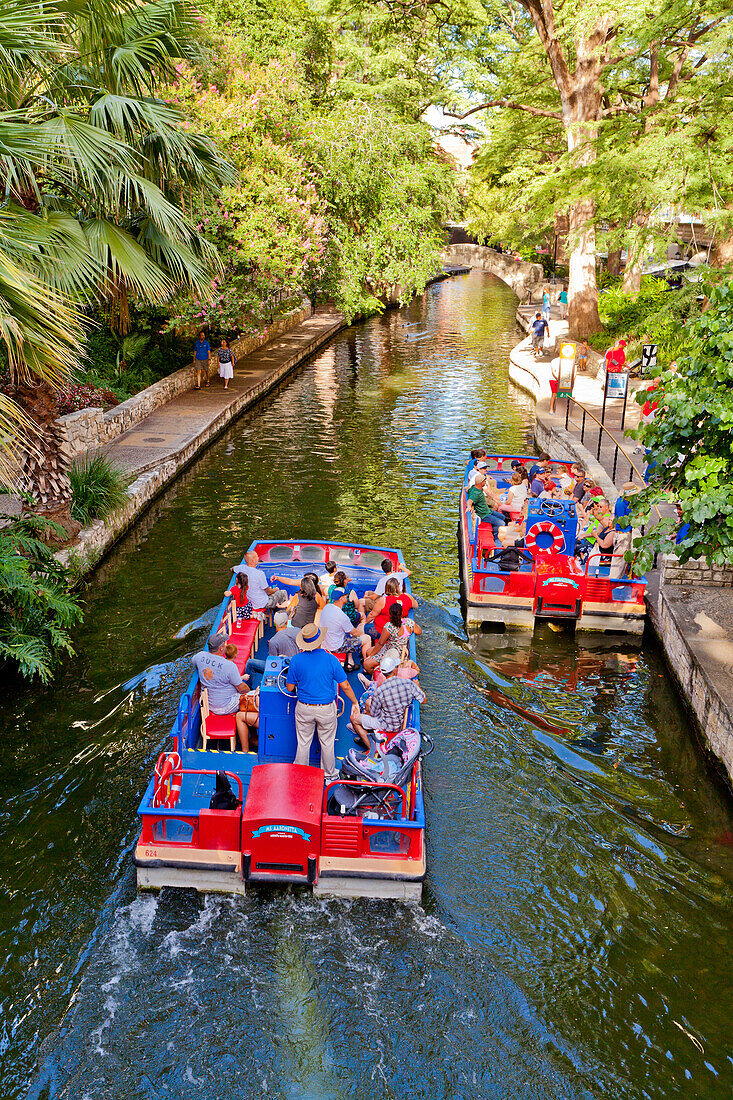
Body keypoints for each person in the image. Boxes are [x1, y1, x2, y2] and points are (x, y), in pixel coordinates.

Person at [285, 623, 360, 781]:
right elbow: (345, 686)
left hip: (304, 708)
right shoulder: (331, 659)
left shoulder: (296, 660)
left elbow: (290, 687)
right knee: (327, 743)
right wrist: (354, 702)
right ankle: (329, 775)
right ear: (320, 640)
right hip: (326, 709)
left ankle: (301, 772)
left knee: (304, 742)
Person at [192, 631, 253, 751]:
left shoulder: (199, 656)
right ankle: (249, 741)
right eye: (224, 644)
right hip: (226, 706)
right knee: (255, 699)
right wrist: (250, 690)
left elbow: (193, 661)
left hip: (210, 704)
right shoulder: (229, 666)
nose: (225, 646)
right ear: (221, 649)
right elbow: (241, 689)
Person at [350, 653, 426, 745]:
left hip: (385, 725)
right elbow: (424, 700)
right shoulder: (408, 684)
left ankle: (371, 747)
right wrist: (418, 686)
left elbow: (374, 714)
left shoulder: (380, 691)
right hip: (400, 724)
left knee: (354, 718)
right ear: (394, 670)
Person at [319, 588, 369, 668]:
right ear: (341, 598)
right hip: (337, 647)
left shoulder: (326, 607)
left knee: (349, 636)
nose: (347, 597)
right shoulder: (342, 616)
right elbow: (354, 632)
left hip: (326, 643)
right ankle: (367, 665)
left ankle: (350, 662)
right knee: (367, 638)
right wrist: (362, 633)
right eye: (346, 595)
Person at [611, 482, 638, 577]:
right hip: (623, 533)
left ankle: (619, 579)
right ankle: (613, 581)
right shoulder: (621, 504)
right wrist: (636, 516)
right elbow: (623, 522)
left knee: (623, 561)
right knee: (618, 561)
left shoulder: (628, 502)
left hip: (627, 533)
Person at [467, 472, 506, 536]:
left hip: (488, 510)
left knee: (503, 517)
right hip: (483, 515)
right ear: (481, 483)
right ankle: (496, 537)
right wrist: (469, 506)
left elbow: (468, 490)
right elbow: (470, 500)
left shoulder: (474, 487)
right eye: (485, 481)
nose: (486, 482)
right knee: (501, 523)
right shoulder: (476, 493)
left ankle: (496, 530)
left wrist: (466, 489)